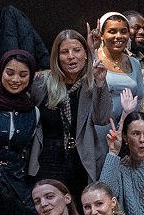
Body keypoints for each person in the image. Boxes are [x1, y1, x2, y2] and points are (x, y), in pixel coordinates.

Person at [35, 29, 112, 198]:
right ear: (57, 57)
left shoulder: (92, 83)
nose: (71, 56)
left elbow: (102, 119)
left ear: (85, 54)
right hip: (47, 160)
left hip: (81, 160)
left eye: (76, 50)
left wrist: (100, 83)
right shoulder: (42, 82)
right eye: (64, 52)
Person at [97, 13, 144, 122]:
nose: (118, 36)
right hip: (99, 126)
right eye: (112, 31)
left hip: (128, 126)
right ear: (102, 35)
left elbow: (140, 99)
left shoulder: (135, 63)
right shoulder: (93, 60)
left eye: (123, 32)